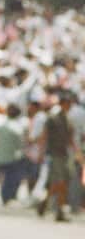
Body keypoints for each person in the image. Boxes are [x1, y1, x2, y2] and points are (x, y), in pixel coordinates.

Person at [38, 92, 79, 223]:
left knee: (63, 182)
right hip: (55, 154)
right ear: (62, 104)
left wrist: (77, 153)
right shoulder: (53, 118)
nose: (69, 106)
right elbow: (44, 136)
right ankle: (59, 210)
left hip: (65, 155)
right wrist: (41, 152)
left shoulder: (69, 119)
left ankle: (46, 201)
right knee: (60, 182)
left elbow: (71, 139)